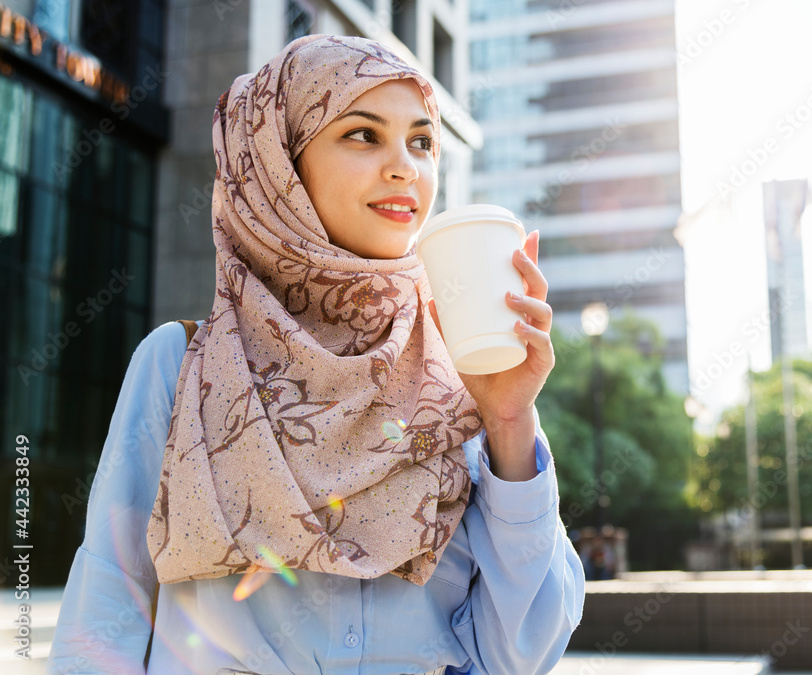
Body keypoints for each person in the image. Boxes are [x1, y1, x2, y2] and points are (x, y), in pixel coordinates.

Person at [47, 35, 585, 675]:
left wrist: (509, 422)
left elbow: (519, 654)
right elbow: (104, 612)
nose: (405, 168)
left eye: (421, 141)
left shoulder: (464, 370)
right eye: (363, 134)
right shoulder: (185, 364)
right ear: (280, 165)